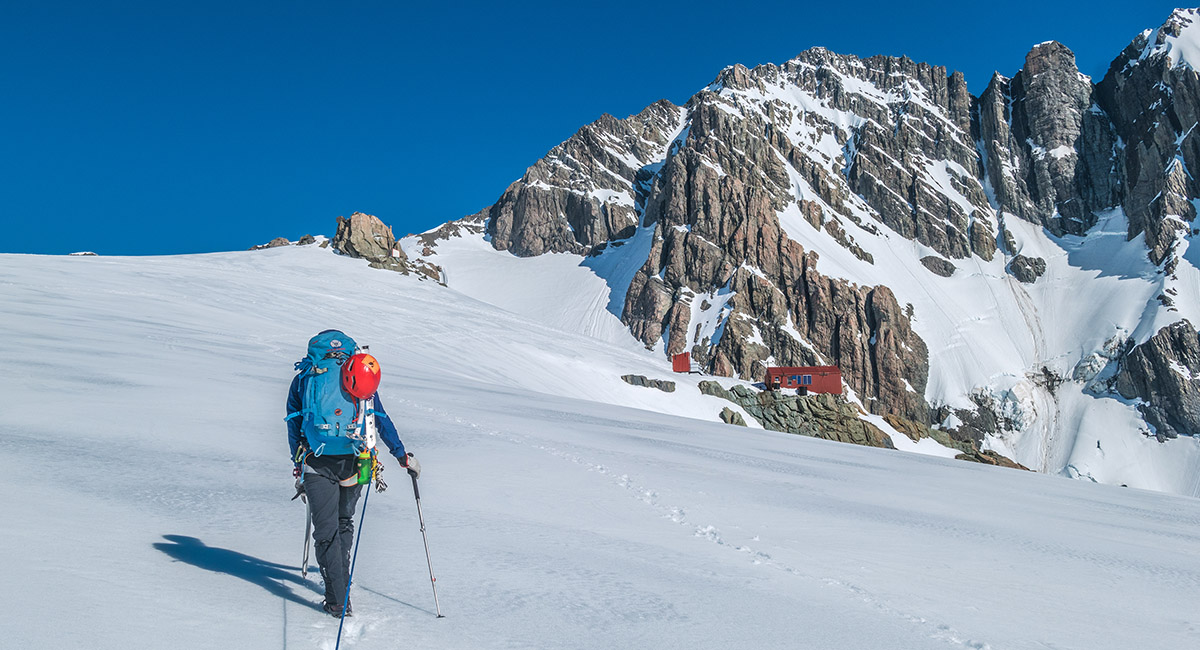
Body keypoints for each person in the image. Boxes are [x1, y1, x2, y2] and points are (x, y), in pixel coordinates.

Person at [286, 329, 420, 618]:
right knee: (344, 522)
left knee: (326, 533)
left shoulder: (305, 378)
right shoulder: (358, 376)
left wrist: (297, 464)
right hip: (357, 461)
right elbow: (379, 419)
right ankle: (341, 582)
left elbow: (293, 423)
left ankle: (337, 599)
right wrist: (400, 455)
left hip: (316, 462)